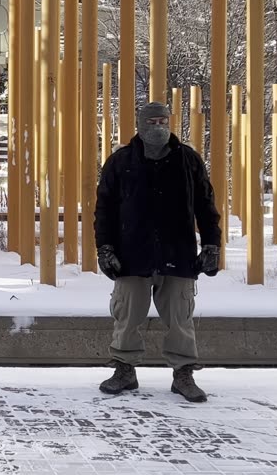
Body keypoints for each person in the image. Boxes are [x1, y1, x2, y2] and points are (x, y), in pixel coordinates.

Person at [93, 102, 222, 403]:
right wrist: (105, 247)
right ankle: (124, 370)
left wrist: (212, 245)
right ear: (140, 124)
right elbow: (104, 210)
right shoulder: (121, 161)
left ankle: (183, 374)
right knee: (126, 315)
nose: (158, 126)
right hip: (131, 255)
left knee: (180, 318)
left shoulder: (188, 160)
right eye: (151, 121)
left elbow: (206, 204)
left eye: (163, 120)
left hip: (178, 253)